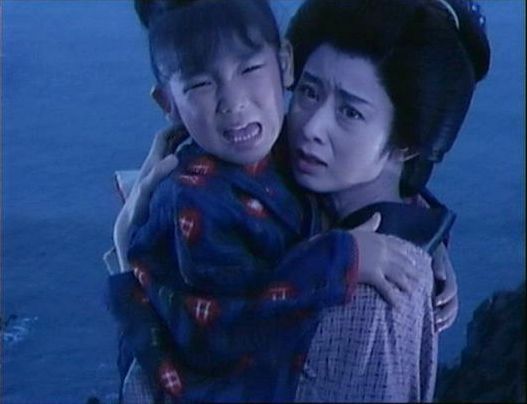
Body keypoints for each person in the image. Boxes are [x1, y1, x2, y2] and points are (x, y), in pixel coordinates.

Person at [106, 0, 427, 402]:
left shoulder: (271, 151)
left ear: (284, 64)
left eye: (250, 69)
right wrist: (340, 258)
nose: (233, 102)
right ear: (168, 104)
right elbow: (227, 329)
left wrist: (426, 234)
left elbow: (348, 191)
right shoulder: (192, 199)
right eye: (201, 85)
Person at [284, 0, 490, 401]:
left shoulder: (370, 291)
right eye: (308, 92)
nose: (312, 127)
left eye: (350, 112)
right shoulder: (333, 214)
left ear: (406, 142)